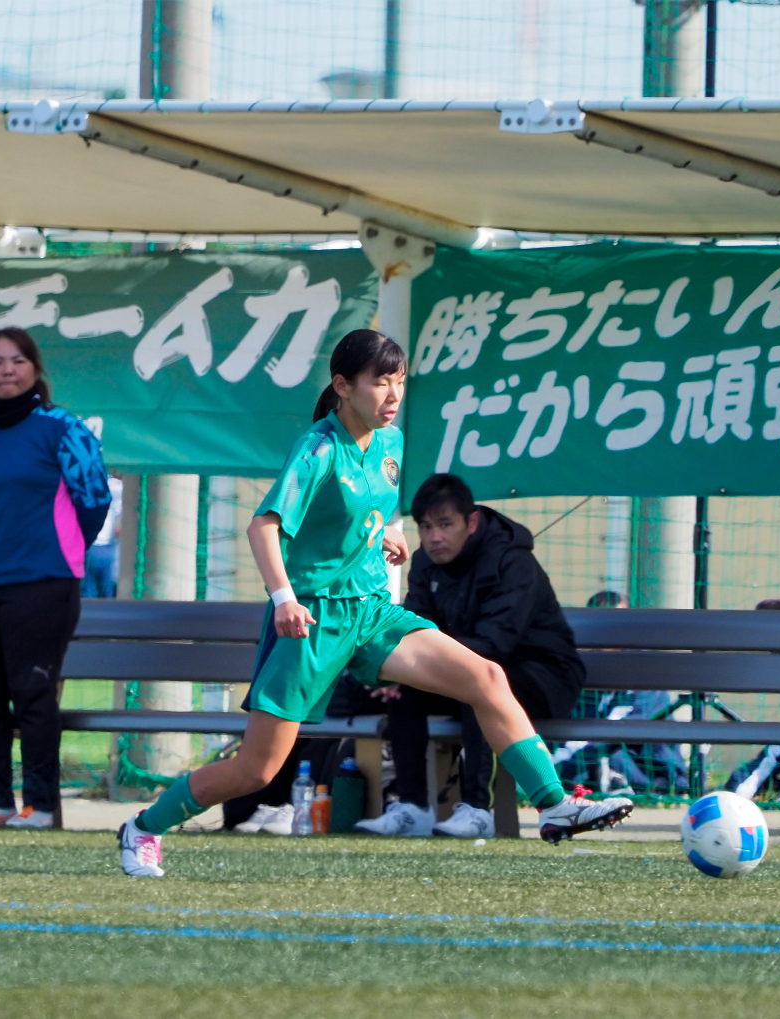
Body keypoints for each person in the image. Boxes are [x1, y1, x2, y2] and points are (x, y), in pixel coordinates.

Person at [118, 330, 631, 877]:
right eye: (380, 382)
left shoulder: (391, 443)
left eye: (400, 382)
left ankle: (553, 805)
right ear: (343, 385)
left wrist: (386, 531)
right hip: (313, 620)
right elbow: (262, 526)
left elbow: (372, 505)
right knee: (256, 770)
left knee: (487, 677)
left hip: (370, 612)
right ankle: (143, 826)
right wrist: (285, 597)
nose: (393, 395)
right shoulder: (318, 448)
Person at [0, 327, 111, 831]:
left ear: (35, 369)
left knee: (33, 694)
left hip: (43, 582)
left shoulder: (62, 428)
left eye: (17, 360)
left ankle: (41, 805)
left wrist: (59, 548)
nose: (7, 369)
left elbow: (93, 497)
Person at [355, 473, 587, 839]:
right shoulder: (425, 564)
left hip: (544, 676)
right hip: (480, 669)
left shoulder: (512, 561)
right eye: (426, 526)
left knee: (476, 688)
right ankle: (413, 808)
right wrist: (400, 673)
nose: (434, 537)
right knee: (404, 691)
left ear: (472, 522)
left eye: (445, 524)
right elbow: (414, 633)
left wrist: (438, 664)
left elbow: (496, 643)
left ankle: (480, 810)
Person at [82, 475, 122, 598]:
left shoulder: (116, 487)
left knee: (95, 589)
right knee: (100, 589)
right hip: (94, 545)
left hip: (100, 545)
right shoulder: (116, 487)